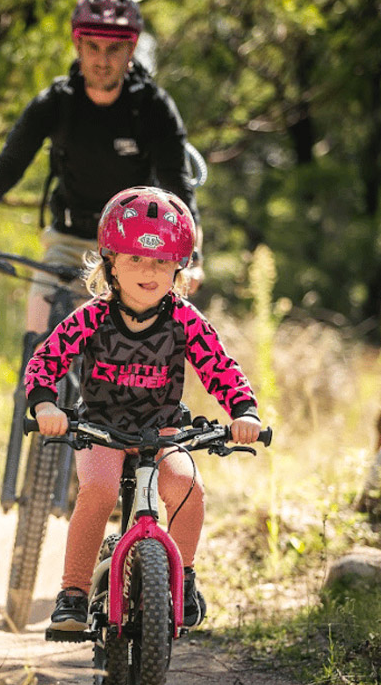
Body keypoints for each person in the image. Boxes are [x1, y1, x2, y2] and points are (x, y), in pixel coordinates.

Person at [23, 186, 260, 632]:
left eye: (160, 261)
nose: (147, 271)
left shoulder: (185, 320)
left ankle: (184, 578)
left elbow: (219, 367)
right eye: (134, 259)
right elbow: (46, 359)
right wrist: (45, 403)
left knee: (187, 487)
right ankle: (73, 594)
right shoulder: (92, 317)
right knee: (99, 489)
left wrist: (243, 411)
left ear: (179, 267)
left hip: (162, 432)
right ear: (110, 262)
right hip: (102, 429)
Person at [0, 0, 204, 335]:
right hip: (67, 244)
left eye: (114, 48)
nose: (102, 60)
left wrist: (193, 259)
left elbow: (178, 189)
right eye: (92, 46)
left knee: (138, 362)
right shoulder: (55, 103)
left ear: (131, 50)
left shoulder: (153, 108)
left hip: (137, 249)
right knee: (38, 354)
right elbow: (6, 168)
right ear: (77, 45)